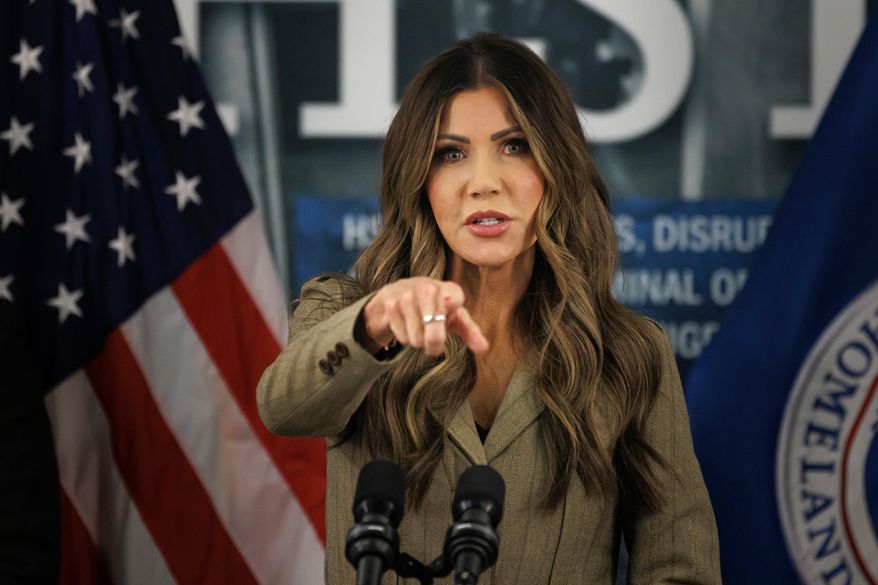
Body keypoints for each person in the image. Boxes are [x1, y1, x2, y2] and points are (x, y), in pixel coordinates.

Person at [257, 33, 721, 584]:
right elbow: (283, 408)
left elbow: (679, 566)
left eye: (515, 146)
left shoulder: (629, 353)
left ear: (556, 166)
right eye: (450, 154)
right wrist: (373, 325)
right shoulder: (348, 313)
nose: (483, 183)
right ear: (419, 180)